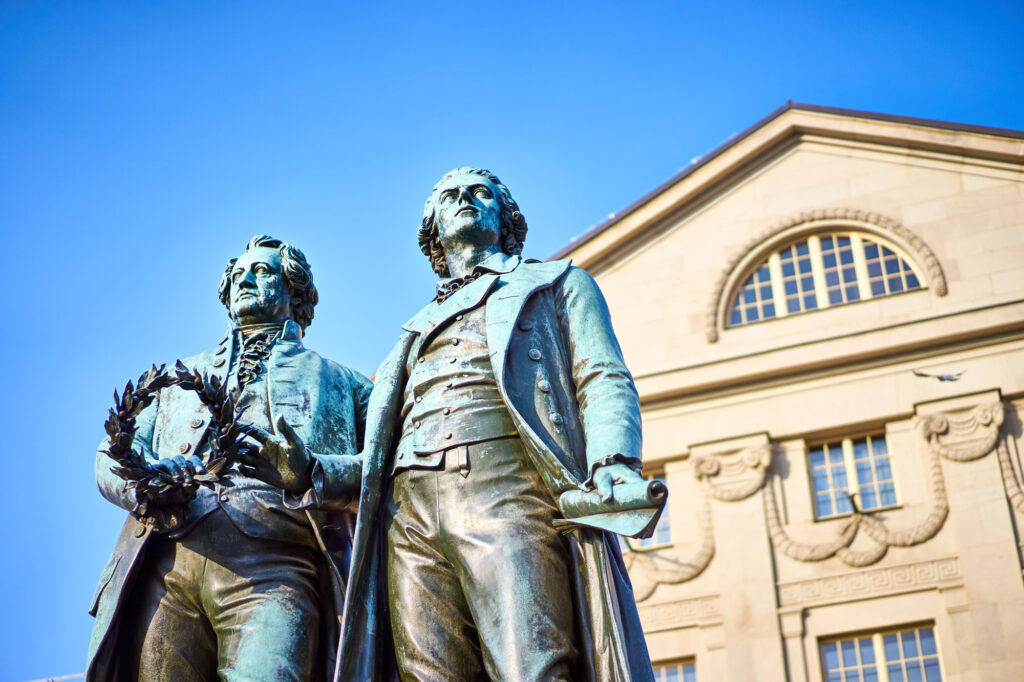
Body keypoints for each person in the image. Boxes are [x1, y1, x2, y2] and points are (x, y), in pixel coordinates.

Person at [332, 168, 657, 681]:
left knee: (532, 662)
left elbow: (602, 374)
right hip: (407, 512)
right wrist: (302, 469)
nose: (464, 198)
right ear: (432, 231)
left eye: (479, 191)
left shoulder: (557, 281)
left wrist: (613, 459)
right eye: (449, 196)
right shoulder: (409, 334)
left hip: (505, 489)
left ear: (505, 217)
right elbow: (370, 453)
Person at [87, 235, 371, 682]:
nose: (246, 279)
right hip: (167, 566)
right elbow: (111, 452)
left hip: (274, 568)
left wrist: (311, 472)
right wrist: (146, 486)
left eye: (262, 271)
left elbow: (383, 467)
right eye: (239, 273)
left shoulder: (343, 383)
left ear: (293, 290)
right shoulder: (172, 379)